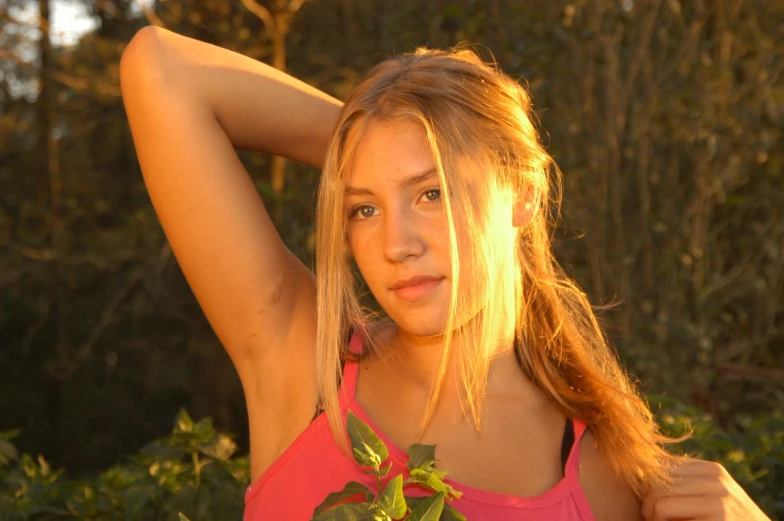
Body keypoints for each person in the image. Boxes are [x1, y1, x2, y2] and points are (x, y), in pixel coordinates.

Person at [119, 25, 771, 521]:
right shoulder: (305, 368)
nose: (394, 244)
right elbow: (162, 68)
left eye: (431, 193)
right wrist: (372, 131)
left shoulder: (607, 467)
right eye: (364, 207)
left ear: (522, 195)